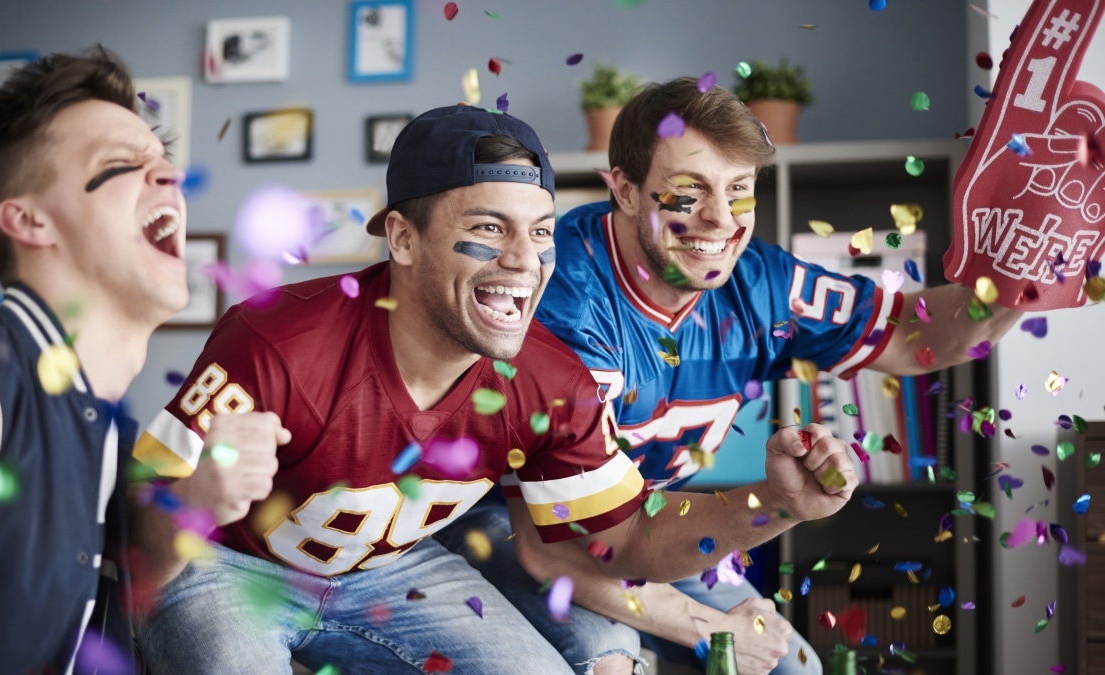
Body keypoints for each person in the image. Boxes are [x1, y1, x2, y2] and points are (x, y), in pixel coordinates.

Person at [126, 104, 860, 675]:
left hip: (395, 567)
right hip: (229, 562)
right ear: (402, 239)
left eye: (540, 233)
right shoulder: (276, 343)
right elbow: (144, 521)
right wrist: (193, 500)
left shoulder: (548, 378)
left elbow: (624, 540)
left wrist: (775, 500)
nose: (524, 262)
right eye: (488, 227)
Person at [437, 77, 1024, 675]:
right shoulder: (559, 299)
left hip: (650, 519)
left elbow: (915, 335)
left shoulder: (760, 284)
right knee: (608, 662)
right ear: (626, 189)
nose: (720, 220)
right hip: (513, 521)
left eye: (738, 190)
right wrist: (717, 631)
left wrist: (1031, 268)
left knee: (794, 665)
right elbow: (556, 548)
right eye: (688, 194)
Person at [0, 46, 188, 673]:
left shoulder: (109, 428)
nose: (169, 175)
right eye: (122, 164)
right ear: (29, 220)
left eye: (164, 161)